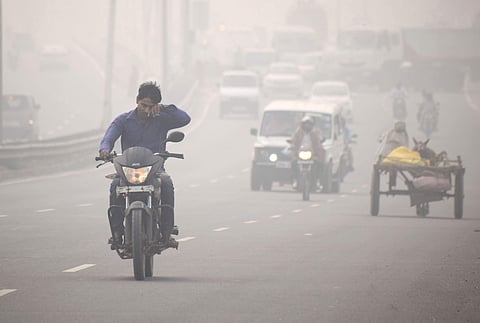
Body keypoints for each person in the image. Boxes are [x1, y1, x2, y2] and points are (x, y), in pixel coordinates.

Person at [98, 81, 191, 247]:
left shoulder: (162, 119)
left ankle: (166, 231)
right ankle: (117, 233)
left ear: (156, 106)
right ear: (136, 100)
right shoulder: (123, 120)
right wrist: (104, 150)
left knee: (167, 183)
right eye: (143, 105)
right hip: (127, 172)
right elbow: (109, 138)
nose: (146, 110)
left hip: (155, 170)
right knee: (115, 186)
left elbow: (185, 119)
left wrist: (164, 108)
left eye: (151, 106)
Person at [290, 115, 326, 190]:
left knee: (319, 164)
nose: (307, 126)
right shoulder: (298, 132)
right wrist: (292, 146)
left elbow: (318, 142)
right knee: (293, 163)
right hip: (300, 153)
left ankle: (317, 181)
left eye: (309, 124)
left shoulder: (315, 132)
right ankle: (295, 180)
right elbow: (294, 141)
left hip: (312, 154)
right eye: (305, 124)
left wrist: (319, 147)